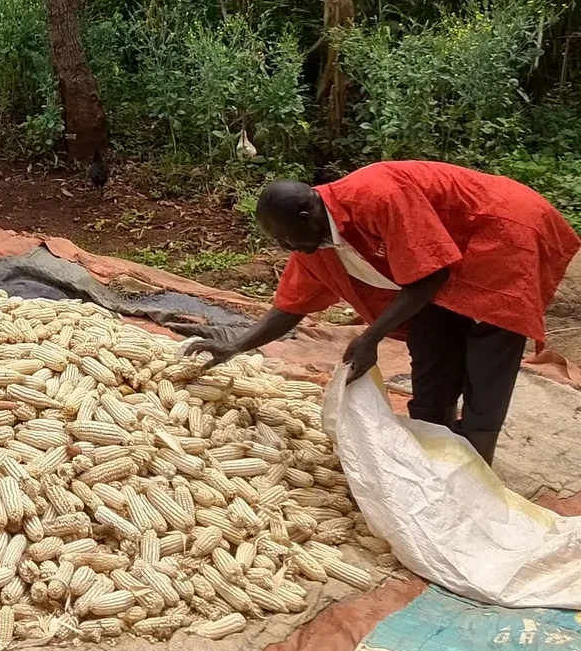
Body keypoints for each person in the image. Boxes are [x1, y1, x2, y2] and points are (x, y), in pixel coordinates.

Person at [188, 161, 579, 466]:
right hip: (450, 251)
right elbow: (290, 307)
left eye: (286, 238)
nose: (287, 247)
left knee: (490, 343)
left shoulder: (376, 195)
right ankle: (433, 438)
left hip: (501, 227)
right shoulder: (314, 245)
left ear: (307, 215)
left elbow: (431, 275)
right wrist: (235, 346)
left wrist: (370, 336)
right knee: (431, 337)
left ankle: (477, 456)